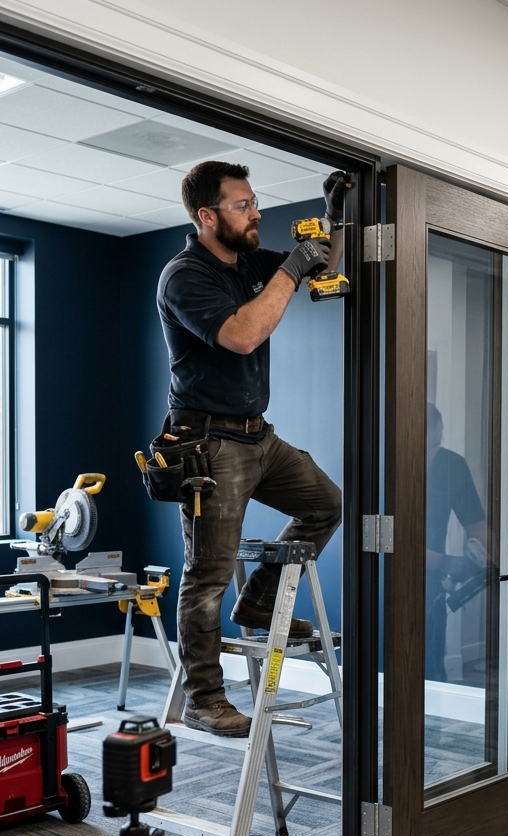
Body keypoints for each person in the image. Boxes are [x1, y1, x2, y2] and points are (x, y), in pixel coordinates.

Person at [156, 160, 346, 737]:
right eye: (244, 206)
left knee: (325, 503)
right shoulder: (185, 275)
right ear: (208, 216)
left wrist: (334, 220)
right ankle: (205, 699)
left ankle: (260, 604)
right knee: (208, 574)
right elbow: (242, 335)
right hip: (208, 443)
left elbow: (320, 270)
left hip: (257, 434)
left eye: (255, 202)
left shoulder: (247, 264)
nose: (257, 213)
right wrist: (290, 269)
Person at [425, 402, 487, 682]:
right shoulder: (384, 461)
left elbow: (476, 525)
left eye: (434, 430)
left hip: (431, 581)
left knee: (431, 657)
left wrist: (487, 559)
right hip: (381, 573)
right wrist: (445, 562)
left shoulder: (451, 465)